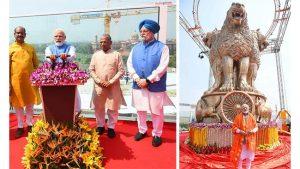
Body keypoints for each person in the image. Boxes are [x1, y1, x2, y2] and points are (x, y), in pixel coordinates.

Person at [127, 19, 173, 147]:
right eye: (141, 31)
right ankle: (142, 130)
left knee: (156, 111)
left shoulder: (163, 48)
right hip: (138, 85)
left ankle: (157, 134)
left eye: (145, 31)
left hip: (155, 85)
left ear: (152, 32)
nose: (142, 33)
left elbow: (162, 67)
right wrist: (137, 78)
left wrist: (148, 80)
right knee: (140, 110)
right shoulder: (135, 48)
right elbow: (129, 64)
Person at [89, 34, 126, 138]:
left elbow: (121, 70)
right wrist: (98, 80)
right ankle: (100, 126)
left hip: (112, 86)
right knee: (99, 107)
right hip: (99, 86)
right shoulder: (95, 55)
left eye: (105, 42)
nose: (102, 44)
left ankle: (111, 128)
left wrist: (111, 81)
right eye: (100, 42)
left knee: (112, 108)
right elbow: (91, 70)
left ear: (110, 42)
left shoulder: (116, 54)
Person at [9, 26, 41, 138]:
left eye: (22, 33)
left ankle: (29, 124)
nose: (20, 35)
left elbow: (36, 65)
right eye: (18, 33)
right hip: (15, 82)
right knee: (18, 106)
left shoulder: (30, 48)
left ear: (25, 34)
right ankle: (20, 126)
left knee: (29, 104)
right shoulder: (9, 49)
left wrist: (37, 78)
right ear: (14, 34)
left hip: (30, 81)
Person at [44, 28, 81, 114]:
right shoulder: (49, 48)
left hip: (68, 77)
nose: (58, 38)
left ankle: (74, 114)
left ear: (65, 37)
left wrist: (66, 57)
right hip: (53, 77)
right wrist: (52, 59)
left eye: (60, 36)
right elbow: (48, 58)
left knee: (72, 95)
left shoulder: (70, 47)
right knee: (55, 96)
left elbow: (72, 56)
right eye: (56, 36)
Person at [230, 104, 258, 169]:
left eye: (246, 107)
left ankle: (248, 168)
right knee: (240, 155)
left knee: (249, 156)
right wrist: (240, 131)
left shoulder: (252, 116)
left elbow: (256, 127)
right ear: (241, 109)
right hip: (240, 140)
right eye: (243, 107)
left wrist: (252, 131)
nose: (245, 108)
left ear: (248, 108)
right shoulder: (238, 117)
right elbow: (234, 127)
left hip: (250, 140)